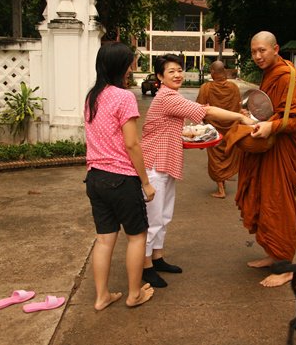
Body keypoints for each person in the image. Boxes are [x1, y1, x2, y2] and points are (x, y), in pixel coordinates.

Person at [140, 54, 255, 288]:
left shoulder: (171, 97)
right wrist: (242, 120)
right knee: (152, 220)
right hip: (154, 165)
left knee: (163, 216)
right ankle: (145, 267)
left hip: (166, 164)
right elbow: (208, 112)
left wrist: (188, 135)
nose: (178, 74)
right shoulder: (167, 97)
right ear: (160, 77)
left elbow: (173, 128)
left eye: (179, 70)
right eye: (171, 71)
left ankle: (157, 258)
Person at [232, 31, 296, 287]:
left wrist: (272, 127)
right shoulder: (271, 74)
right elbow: (271, 109)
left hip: (282, 151)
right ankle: (272, 254)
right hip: (268, 149)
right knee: (264, 200)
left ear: (275, 48)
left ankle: (286, 266)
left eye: (262, 51)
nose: (257, 56)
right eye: (253, 51)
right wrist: (253, 115)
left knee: (278, 204)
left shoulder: (290, 78)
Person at [84, 42, 155, 310]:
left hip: (95, 177)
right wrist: (146, 182)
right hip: (121, 178)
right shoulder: (123, 97)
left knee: (104, 239)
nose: (132, 66)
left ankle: (102, 297)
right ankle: (133, 294)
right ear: (121, 66)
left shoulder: (92, 96)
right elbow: (131, 144)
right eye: (130, 62)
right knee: (137, 236)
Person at [196, 60, 243, 198]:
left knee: (216, 159)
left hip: (214, 129)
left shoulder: (206, 87)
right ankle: (226, 176)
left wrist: (203, 127)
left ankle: (221, 190)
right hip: (231, 128)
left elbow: (200, 108)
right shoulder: (234, 87)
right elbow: (238, 108)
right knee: (228, 155)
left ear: (212, 72)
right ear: (224, 72)